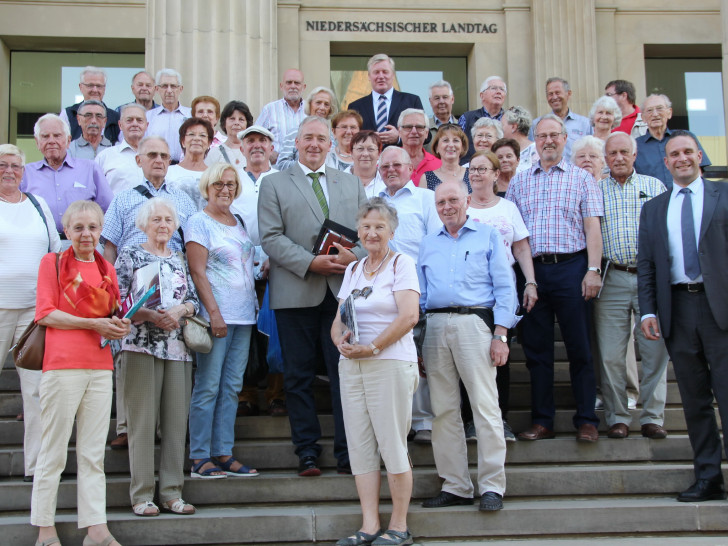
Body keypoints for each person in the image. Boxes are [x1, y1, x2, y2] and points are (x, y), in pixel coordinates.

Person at [258, 116, 368, 477]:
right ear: (297, 142)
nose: (315, 144)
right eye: (308, 138)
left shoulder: (350, 183)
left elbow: (369, 232)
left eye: (322, 138)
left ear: (332, 144)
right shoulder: (274, 183)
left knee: (344, 376)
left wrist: (357, 256)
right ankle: (306, 450)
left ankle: (347, 452)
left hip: (340, 295)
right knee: (298, 376)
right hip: (295, 293)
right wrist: (310, 262)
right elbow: (271, 237)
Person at [30, 200, 130, 546]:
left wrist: (118, 324)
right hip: (61, 366)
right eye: (78, 228)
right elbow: (45, 314)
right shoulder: (52, 262)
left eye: (92, 228)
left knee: (92, 454)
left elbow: (111, 313)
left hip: (100, 367)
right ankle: (45, 529)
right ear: (66, 230)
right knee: (53, 451)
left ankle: (96, 529)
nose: (86, 234)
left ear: (101, 230)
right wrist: (94, 323)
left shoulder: (107, 270)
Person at [638, 130, 728, 502]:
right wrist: (648, 310)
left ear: (699, 154)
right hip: (678, 309)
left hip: (720, 307)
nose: (682, 158)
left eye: (688, 152)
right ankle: (708, 477)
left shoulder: (724, 196)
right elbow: (646, 265)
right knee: (694, 401)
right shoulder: (654, 208)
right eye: (674, 154)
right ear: (666, 162)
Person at [419, 181, 519, 513]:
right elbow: (419, 293)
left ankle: (492, 486)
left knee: (485, 407)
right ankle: (456, 485)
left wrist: (501, 334)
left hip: (475, 324)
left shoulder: (487, 235)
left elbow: (506, 287)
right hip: (434, 326)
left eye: (452, 200)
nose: (447, 206)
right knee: (444, 411)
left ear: (466, 201)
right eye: (440, 202)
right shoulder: (427, 243)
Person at [506, 114, 603, 442]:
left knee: (580, 347)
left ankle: (587, 418)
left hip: (572, 269)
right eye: (542, 136)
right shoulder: (519, 182)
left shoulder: (581, 178)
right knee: (537, 351)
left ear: (565, 139)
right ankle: (542, 420)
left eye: (554, 135)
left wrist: (593, 269)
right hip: (532, 272)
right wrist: (526, 279)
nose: (548, 140)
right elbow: (515, 236)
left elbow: (592, 226)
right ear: (535, 141)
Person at [331, 198, 420, 546]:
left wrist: (373, 347)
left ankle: (399, 526)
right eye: (366, 227)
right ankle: (369, 525)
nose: (372, 232)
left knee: (393, 445)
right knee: (361, 446)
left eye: (379, 226)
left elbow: (409, 316)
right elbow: (338, 321)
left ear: (391, 232)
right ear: (359, 232)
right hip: (351, 365)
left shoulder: (402, 263)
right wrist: (341, 341)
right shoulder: (353, 270)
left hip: (390, 363)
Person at [115, 197, 199, 516]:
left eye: (168, 220)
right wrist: (149, 315)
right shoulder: (131, 254)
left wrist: (180, 309)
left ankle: (172, 492)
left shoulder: (178, 257)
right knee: (142, 423)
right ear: (144, 225)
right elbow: (117, 301)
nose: (163, 225)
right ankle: (142, 495)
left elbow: (193, 300)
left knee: (176, 423)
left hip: (177, 348)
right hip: (139, 345)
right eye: (156, 220)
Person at [185, 163, 259, 479]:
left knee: (231, 387)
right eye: (218, 184)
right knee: (208, 386)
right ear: (207, 187)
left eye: (230, 184)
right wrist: (213, 313)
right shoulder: (198, 222)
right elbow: (198, 272)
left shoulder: (237, 220)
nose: (225, 189)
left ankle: (223, 452)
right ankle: (200, 456)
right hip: (217, 315)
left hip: (244, 315)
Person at [595, 132, 669, 440]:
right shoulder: (595, 189)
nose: (619, 158)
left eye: (625, 152)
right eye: (613, 153)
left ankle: (652, 416)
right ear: (606, 158)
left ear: (634, 155)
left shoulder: (654, 187)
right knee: (610, 354)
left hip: (649, 278)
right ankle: (617, 416)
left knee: (654, 352)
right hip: (611, 276)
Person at [466, 150, 538, 441]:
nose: (476, 174)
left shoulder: (508, 208)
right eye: (472, 169)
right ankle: (470, 421)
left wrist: (530, 282)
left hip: (503, 291)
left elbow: (520, 248)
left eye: (483, 168)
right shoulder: (462, 206)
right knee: (468, 356)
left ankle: (501, 420)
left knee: (500, 355)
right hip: (469, 291)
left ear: (496, 174)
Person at [0, 144, 61, 485]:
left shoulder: (37, 205)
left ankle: (36, 466)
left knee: (37, 390)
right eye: (2, 165)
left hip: (34, 312)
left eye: (15, 166)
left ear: (24, 172)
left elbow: (55, 252)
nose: (9, 171)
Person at [378, 146, 442, 445]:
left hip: (419, 291)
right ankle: (398, 422)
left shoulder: (426, 199)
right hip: (383, 293)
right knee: (391, 359)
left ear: (409, 167)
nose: (390, 170)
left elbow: (437, 243)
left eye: (396, 165)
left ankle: (425, 420)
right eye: (385, 166)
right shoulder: (373, 202)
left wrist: (428, 290)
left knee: (421, 360)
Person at [102, 136, 197, 264]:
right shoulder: (122, 199)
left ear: (169, 162)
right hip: (132, 275)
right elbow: (110, 247)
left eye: (164, 156)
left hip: (173, 276)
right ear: (138, 160)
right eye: (152, 155)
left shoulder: (184, 200)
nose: (159, 160)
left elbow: (194, 247)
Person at [21, 114, 112, 243]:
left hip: (82, 245)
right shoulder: (25, 173)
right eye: (45, 136)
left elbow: (109, 210)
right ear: (37, 142)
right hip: (39, 245)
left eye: (57, 135)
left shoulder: (90, 169)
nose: (51, 141)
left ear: (68, 141)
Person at [634, 94, 711, 190]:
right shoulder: (635, 146)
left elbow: (701, 171)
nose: (655, 114)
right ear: (643, 117)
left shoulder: (686, 137)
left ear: (669, 113)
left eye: (659, 108)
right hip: (653, 201)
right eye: (649, 110)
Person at [348, 54, 425, 146]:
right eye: (376, 72)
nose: (381, 76)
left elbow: (426, 136)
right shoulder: (356, 106)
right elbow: (350, 138)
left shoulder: (411, 101)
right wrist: (369, 138)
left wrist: (399, 138)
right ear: (369, 76)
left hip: (401, 159)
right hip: (368, 158)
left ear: (393, 75)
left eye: (385, 72)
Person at [276, 86, 339, 171]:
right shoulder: (295, 131)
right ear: (310, 104)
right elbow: (281, 164)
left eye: (326, 104)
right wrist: (308, 167)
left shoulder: (333, 136)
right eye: (318, 103)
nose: (322, 107)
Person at [531, 77, 592, 160]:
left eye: (558, 93)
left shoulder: (585, 124)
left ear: (569, 94)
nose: (554, 97)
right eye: (550, 94)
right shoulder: (537, 124)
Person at [60, 66, 121, 143]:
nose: (95, 90)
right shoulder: (68, 114)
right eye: (90, 85)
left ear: (104, 88)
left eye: (99, 86)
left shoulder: (116, 118)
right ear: (80, 87)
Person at [257, 68, 307, 162]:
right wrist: (268, 152)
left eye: (297, 83)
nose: (293, 86)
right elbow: (255, 138)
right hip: (276, 168)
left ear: (303, 87)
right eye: (289, 82)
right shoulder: (269, 110)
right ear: (281, 86)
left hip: (305, 169)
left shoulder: (311, 110)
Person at [95, 104, 147, 193]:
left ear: (147, 125)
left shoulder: (157, 156)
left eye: (139, 120)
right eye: (129, 120)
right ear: (120, 125)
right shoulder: (105, 156)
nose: (135, 124)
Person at [166, 117, 214, 210]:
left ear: (209, 143)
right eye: (191, 134)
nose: (197, 139)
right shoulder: (168, 172)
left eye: (202, 135)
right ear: (183, 141)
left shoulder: (214, 175)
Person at [145, 68, 191, 163]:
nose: (169, 90)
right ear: (157, 89)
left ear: (180, 89)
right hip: (157, 167)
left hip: (184, 168)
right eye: (165, 86)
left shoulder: (191, 115)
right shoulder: (148, 117)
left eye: (173, 86)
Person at [458, 75, 507, 161]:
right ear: (482, 95)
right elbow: (458, 145)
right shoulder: (467, 117)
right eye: (494, 88)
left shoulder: (509, 121)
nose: (498, 92)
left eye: (502, 89)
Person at [420, 123, 470, 192]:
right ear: (437, 148)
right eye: (445, 140)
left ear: (462, 147)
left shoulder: (472, 174)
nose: (451, 145)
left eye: (456, 140)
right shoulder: (426, 179)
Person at [205, 100, 254, 171]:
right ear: (224, 123)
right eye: (232, 119)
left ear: (247, 124)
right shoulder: (214, 153)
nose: (237, 123)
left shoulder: (255, 152)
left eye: (241, 119)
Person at [398, 109, 441, 183]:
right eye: (408, 127)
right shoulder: (387, 164)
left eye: (419, 127)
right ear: (399, 132)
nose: (414, 131)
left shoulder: (439, 166)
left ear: (426, 133)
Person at [348, 130, 385, 199]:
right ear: (351, 153)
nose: (365, 154)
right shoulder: (339, 181)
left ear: (379, 153)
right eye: (360, 149)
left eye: (371, 149)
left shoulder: (386, 182)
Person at [501, 106, 536, 173]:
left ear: (514, 127)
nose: (500, 129)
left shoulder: (537, 151)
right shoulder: (502, 152)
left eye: (502, 125)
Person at [426, 80, 457, 151]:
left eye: (445, 97)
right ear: (430, 102)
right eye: (437, 98)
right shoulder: (424, 128)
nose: (441, 101)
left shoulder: (462, 126)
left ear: (452, 99)